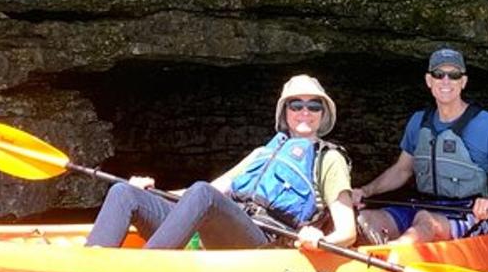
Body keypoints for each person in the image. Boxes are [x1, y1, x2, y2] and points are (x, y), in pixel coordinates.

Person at [85, 74, 356, 251]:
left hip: (264, 243)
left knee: (204, 192)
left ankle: (147, 267)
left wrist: (320, 240)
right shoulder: (262, 153)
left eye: (314, 106)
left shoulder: (329, 159)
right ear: (285, 113)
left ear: (323, 114)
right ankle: (92, 264)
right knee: (124, 192)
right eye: (296, 105)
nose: (305, 112)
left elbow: (347, 231)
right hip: (223, 231)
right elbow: (205, 194)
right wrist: (147, 191)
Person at [349, 47, 488, 244]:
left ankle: (393, 254)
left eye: (453, 75)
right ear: (429, 80)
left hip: (470, 212)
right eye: (439, 74)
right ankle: (378, 257)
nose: (446, 81)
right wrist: (365, 191)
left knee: (425, 222)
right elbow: (401, 171)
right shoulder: (418, 122)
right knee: (364, 220)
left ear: (463, 82)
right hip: (422, 205)